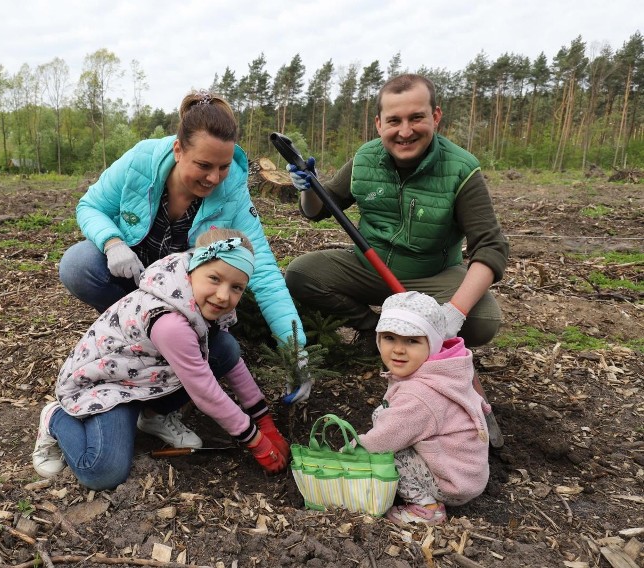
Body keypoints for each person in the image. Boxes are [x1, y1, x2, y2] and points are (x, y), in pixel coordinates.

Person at [284, 73, 507, 446]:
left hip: (431, 274)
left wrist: (453, 312)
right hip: (369, 266)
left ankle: (434, 349)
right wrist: (308, 187)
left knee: (482, 319)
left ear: (435, 116)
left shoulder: (460, 168)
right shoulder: (366, 159)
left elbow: (491, 247)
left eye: (416, 118)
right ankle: (377, 331)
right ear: (379, 123)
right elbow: (318, 210)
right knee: (302, 274)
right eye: (394, 121)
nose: (405, 131)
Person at [59, 89, 311, 417]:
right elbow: (91, 205)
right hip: (133, 282)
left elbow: (262, 268)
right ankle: (127, 338)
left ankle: (167, 363)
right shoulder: (141, 161)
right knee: (80, 265)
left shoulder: (232, 191)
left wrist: (295, 349)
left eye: (222, 167)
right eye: (204, 165)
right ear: (178, 149)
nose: (213, 177)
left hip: (182, 301)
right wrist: (113, 243)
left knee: (222, 347)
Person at [32, 229, 290, 490]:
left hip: (145, 375)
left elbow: (231, 362)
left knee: (224, 348)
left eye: (236, 287)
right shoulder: (169, 322)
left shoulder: (201, 300)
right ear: (192, 269)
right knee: (102, 472)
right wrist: (256, 441)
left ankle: (154, 415)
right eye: (214, 278)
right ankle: (55, 419)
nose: (223, 295)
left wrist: (264, 421)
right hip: (109, 385)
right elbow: (205, 392)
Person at [354, 291, 490, 526]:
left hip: (452, 482)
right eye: (389, 338)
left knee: (391, 450)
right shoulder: (445, 370)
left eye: (412, 341)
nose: (398, 349)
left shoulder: (421, 395)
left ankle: (427, 507)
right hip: (465, 470)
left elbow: (385, 439)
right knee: (384, 415)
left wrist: (353, 449)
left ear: (433, 343)